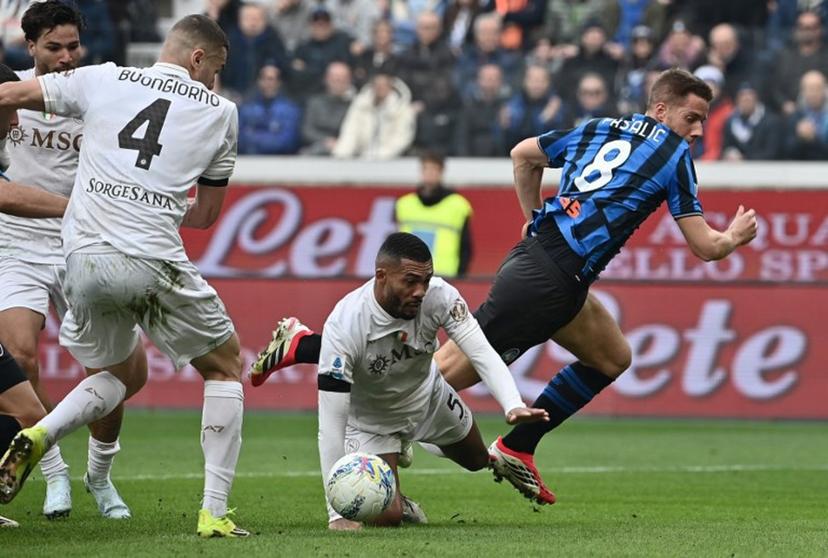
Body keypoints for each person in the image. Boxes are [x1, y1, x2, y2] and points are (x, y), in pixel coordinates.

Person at [247, 68, 759, 505]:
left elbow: (522, 155)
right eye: (691, 118)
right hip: (546, 283)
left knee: (611, 356)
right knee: (432, 376)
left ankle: (519, 447)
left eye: (702, 123)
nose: (695, 131)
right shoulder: (673, 155)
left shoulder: (601, 126)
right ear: (662, 109)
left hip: (551, 271)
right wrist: (733, 237)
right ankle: (308, 347)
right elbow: (704, 246)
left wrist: (534, 216)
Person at [0, 14, 248, 538]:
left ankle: (43, 435)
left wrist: (109, 193)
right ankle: (214, 512)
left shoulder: (103, 77)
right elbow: (204, 216)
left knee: (119, 375)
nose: (214, 83)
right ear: (198, 59)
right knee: (225, 366)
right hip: (149, 257)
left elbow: (7, 96)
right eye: (215, 70)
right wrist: (154, 198)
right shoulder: (222, 113)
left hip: (83, 259)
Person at [310, 232, 548, 530]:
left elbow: (480, 350)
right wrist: (337, 514)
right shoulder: (345, 324)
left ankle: (414, 441)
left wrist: (512, 404)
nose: (420, 290)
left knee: (477, 460)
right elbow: (330, 424)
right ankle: (400, 496)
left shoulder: (440, 296)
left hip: (429, 399)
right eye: (410, 281)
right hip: (371, 422)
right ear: (381, 276)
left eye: (426, 280)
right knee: (387, 517)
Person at [0, 1, 130, 520]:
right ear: (30, 47)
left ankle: (100, 477)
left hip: (82, 243)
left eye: (73, 46)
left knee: (107, 370)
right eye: (53, 48)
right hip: (18, 243)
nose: (65, 57)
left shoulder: (102, 96)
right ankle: (53, 475)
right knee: (19, 354)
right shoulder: (11, 95)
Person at [395, 151, 473, 278]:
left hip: (444, 277)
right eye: (426, 169)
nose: (430, 174)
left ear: (441, 172)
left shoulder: (458, 205)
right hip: (409, 277)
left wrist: (461, 277)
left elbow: (465, 247)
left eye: (434, 169)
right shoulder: (404, 204)